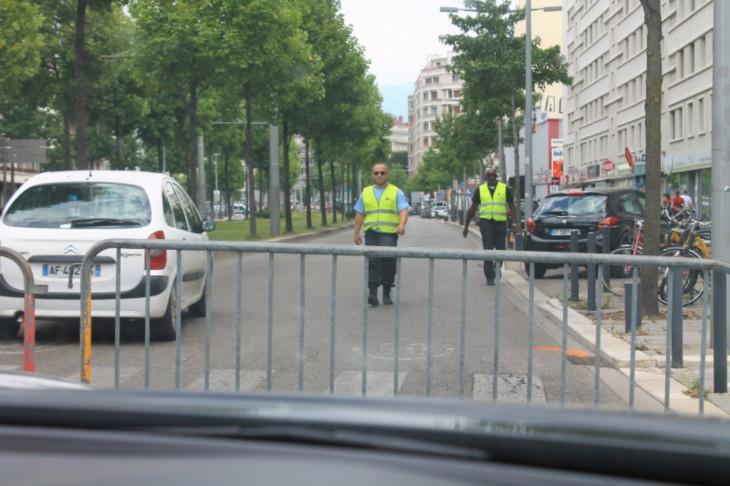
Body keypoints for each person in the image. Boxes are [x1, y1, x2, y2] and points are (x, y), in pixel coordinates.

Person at [353, 163, 410, 306]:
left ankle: (386, 292)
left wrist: (402, 225)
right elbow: (360, 213)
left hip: (389, 234)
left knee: (388, 263)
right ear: (372, 175)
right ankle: (372, 294)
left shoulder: (396, 192)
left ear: (387, 174)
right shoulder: (366, 192)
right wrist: (356, 233)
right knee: (373, 261)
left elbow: (403, 210)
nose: (379, 175)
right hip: (372, 232)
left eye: (382, 173)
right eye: (376, 173)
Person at [462, 169, 518, 286]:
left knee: (501, 250)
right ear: (486, 178)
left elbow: (512, 207)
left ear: (496, 176)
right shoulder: (481, 190)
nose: (491, 177)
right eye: (489, 175)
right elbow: (473, 209)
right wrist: (466, 225)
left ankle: (497, 270)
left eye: (493, 175)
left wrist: (514, 223)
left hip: (500, 223)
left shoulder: (504, 188)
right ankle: (489, 276)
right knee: (487, 249)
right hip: (486, 223)